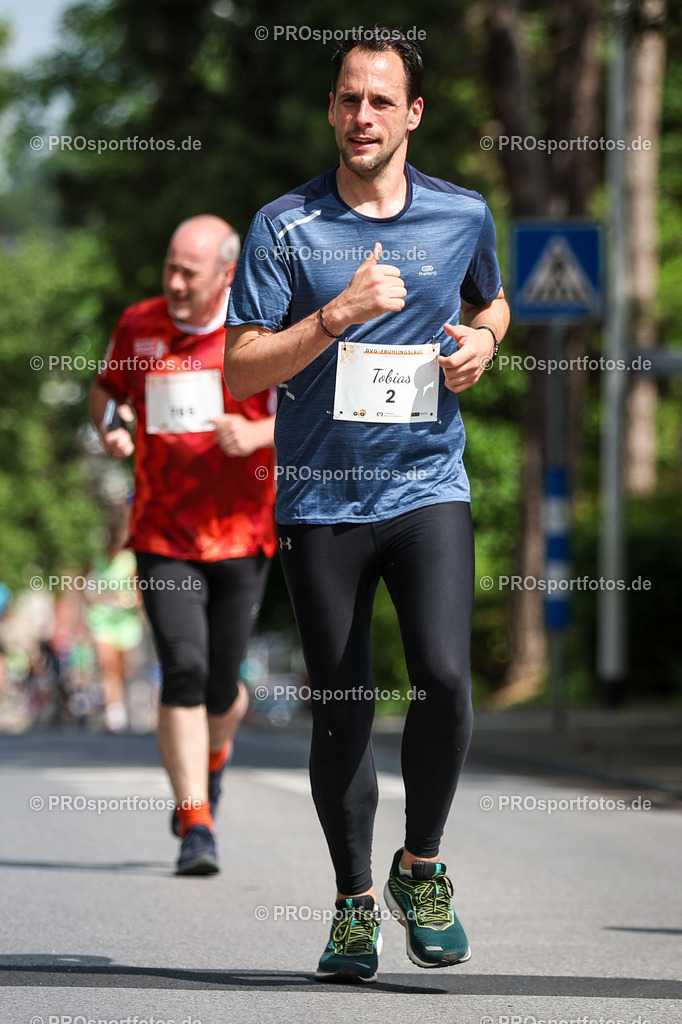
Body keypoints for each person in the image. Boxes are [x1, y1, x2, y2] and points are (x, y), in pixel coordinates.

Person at [224, 32, 509, 981]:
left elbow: (493, 303)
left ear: (413, 113)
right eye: (349, 100)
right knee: (342, 706)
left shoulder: (462, 214)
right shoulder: (285, 226)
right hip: (320, 500)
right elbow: (242, 362)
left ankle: (420, 869)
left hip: (429, 484)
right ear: (332, 108)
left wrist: (483, 343)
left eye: (382, 102)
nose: (362, 118)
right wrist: (334, 317)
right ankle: (352, 904)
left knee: (444, 674)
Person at [89, 215, 276, 876]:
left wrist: (257, 438)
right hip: (162, 533)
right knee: (185, 671)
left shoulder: (258, 331)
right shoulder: (139, 326)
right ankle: (196, 820)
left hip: (241, 535)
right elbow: (107, 394)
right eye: (169, 266)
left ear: (227, 273)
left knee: (225, 687)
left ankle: (214, 758)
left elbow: (314, 415)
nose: (172, 282)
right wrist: (113, 428)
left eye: (187, 273)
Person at [85, 505, 143, 732]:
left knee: (123, 668)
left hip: (126, 622)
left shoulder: (130, 561)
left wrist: (129, 600)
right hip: (102, 620)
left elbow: (141, 593)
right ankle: (114, 712)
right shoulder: (97, 559)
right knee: (108, 665)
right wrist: (95, 597)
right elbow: (85, 586)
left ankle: (121, 701)